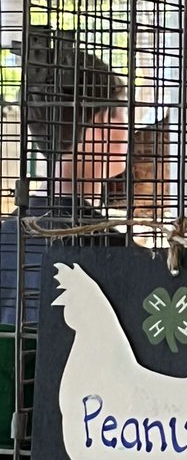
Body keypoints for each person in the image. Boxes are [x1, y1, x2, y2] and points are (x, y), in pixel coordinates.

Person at [0, 27, 129, 326]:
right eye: (120, 113)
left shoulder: (7, 239)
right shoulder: (113, 250)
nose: (129, 129)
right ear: (100, 127)